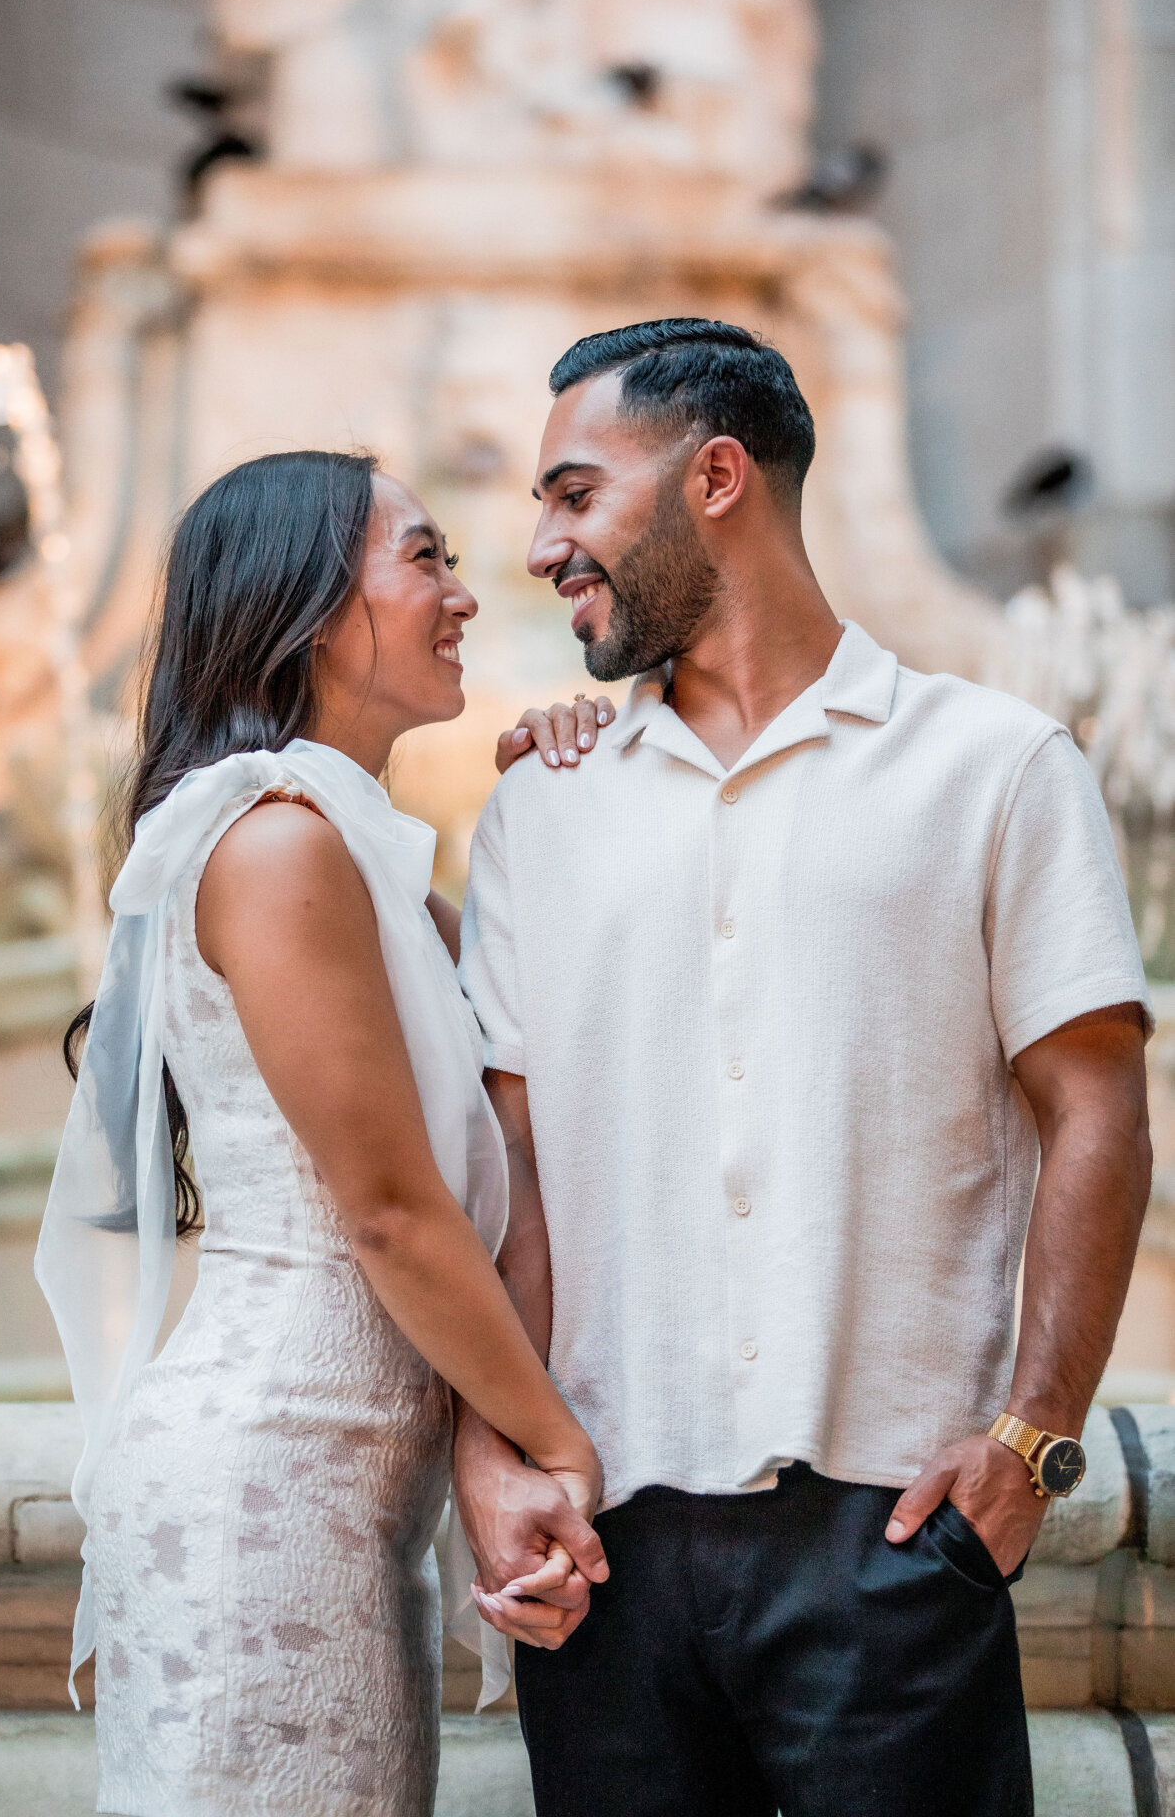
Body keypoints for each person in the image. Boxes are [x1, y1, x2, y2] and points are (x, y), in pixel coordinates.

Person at [453, 319, 1154, 1817]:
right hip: (604, 1547)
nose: (537, 547)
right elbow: (508, 1181)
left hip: (893, 1536)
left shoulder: (995, 764)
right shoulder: (538, 813)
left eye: (573, 496)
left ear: (715, 477)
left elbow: (1095, 1105)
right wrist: (495, 1461)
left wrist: (1029, 1441)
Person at [35, 450, 612, 1817]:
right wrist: (554, 1448)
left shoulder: (357, 847)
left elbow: (533, 1059)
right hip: (267, 1481)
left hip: (337, 1493)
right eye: (425, 558)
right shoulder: (275, 844)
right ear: (303, 604)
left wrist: (576, 783)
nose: (465, 595)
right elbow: (390, 1211)